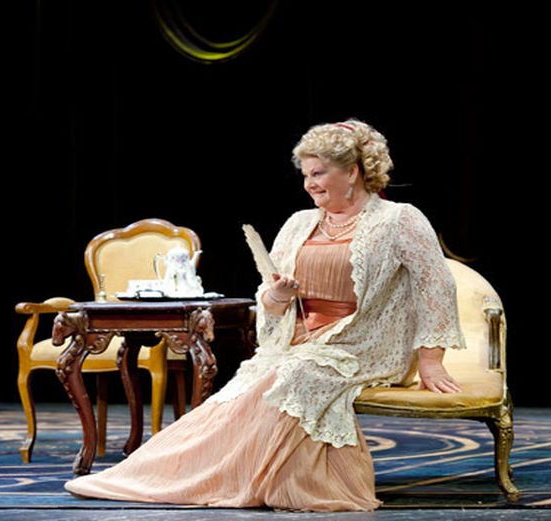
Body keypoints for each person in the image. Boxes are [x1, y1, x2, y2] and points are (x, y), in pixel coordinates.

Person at [64, 118, 467, 512]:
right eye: (305, 175)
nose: (309, 184)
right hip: (297, 341)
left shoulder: (399, 219)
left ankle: (226, 477)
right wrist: (277, 295)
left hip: (363, 344)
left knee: (293, 376)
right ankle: (164, 474)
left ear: (353, 172)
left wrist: (431, 360)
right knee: (243, 388)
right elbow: (269, 299)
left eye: (318, 173)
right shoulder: (299, 223)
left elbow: (435, 286)